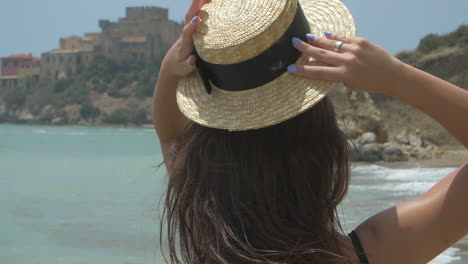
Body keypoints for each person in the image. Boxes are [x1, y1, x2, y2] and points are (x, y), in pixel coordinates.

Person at [153, 0, 468, 263]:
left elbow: (169, 135)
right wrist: (398, 77)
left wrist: (173, 68)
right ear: (323, 145)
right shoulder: (372, 253)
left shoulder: (206, 228)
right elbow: (169, 135)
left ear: (206, 156)